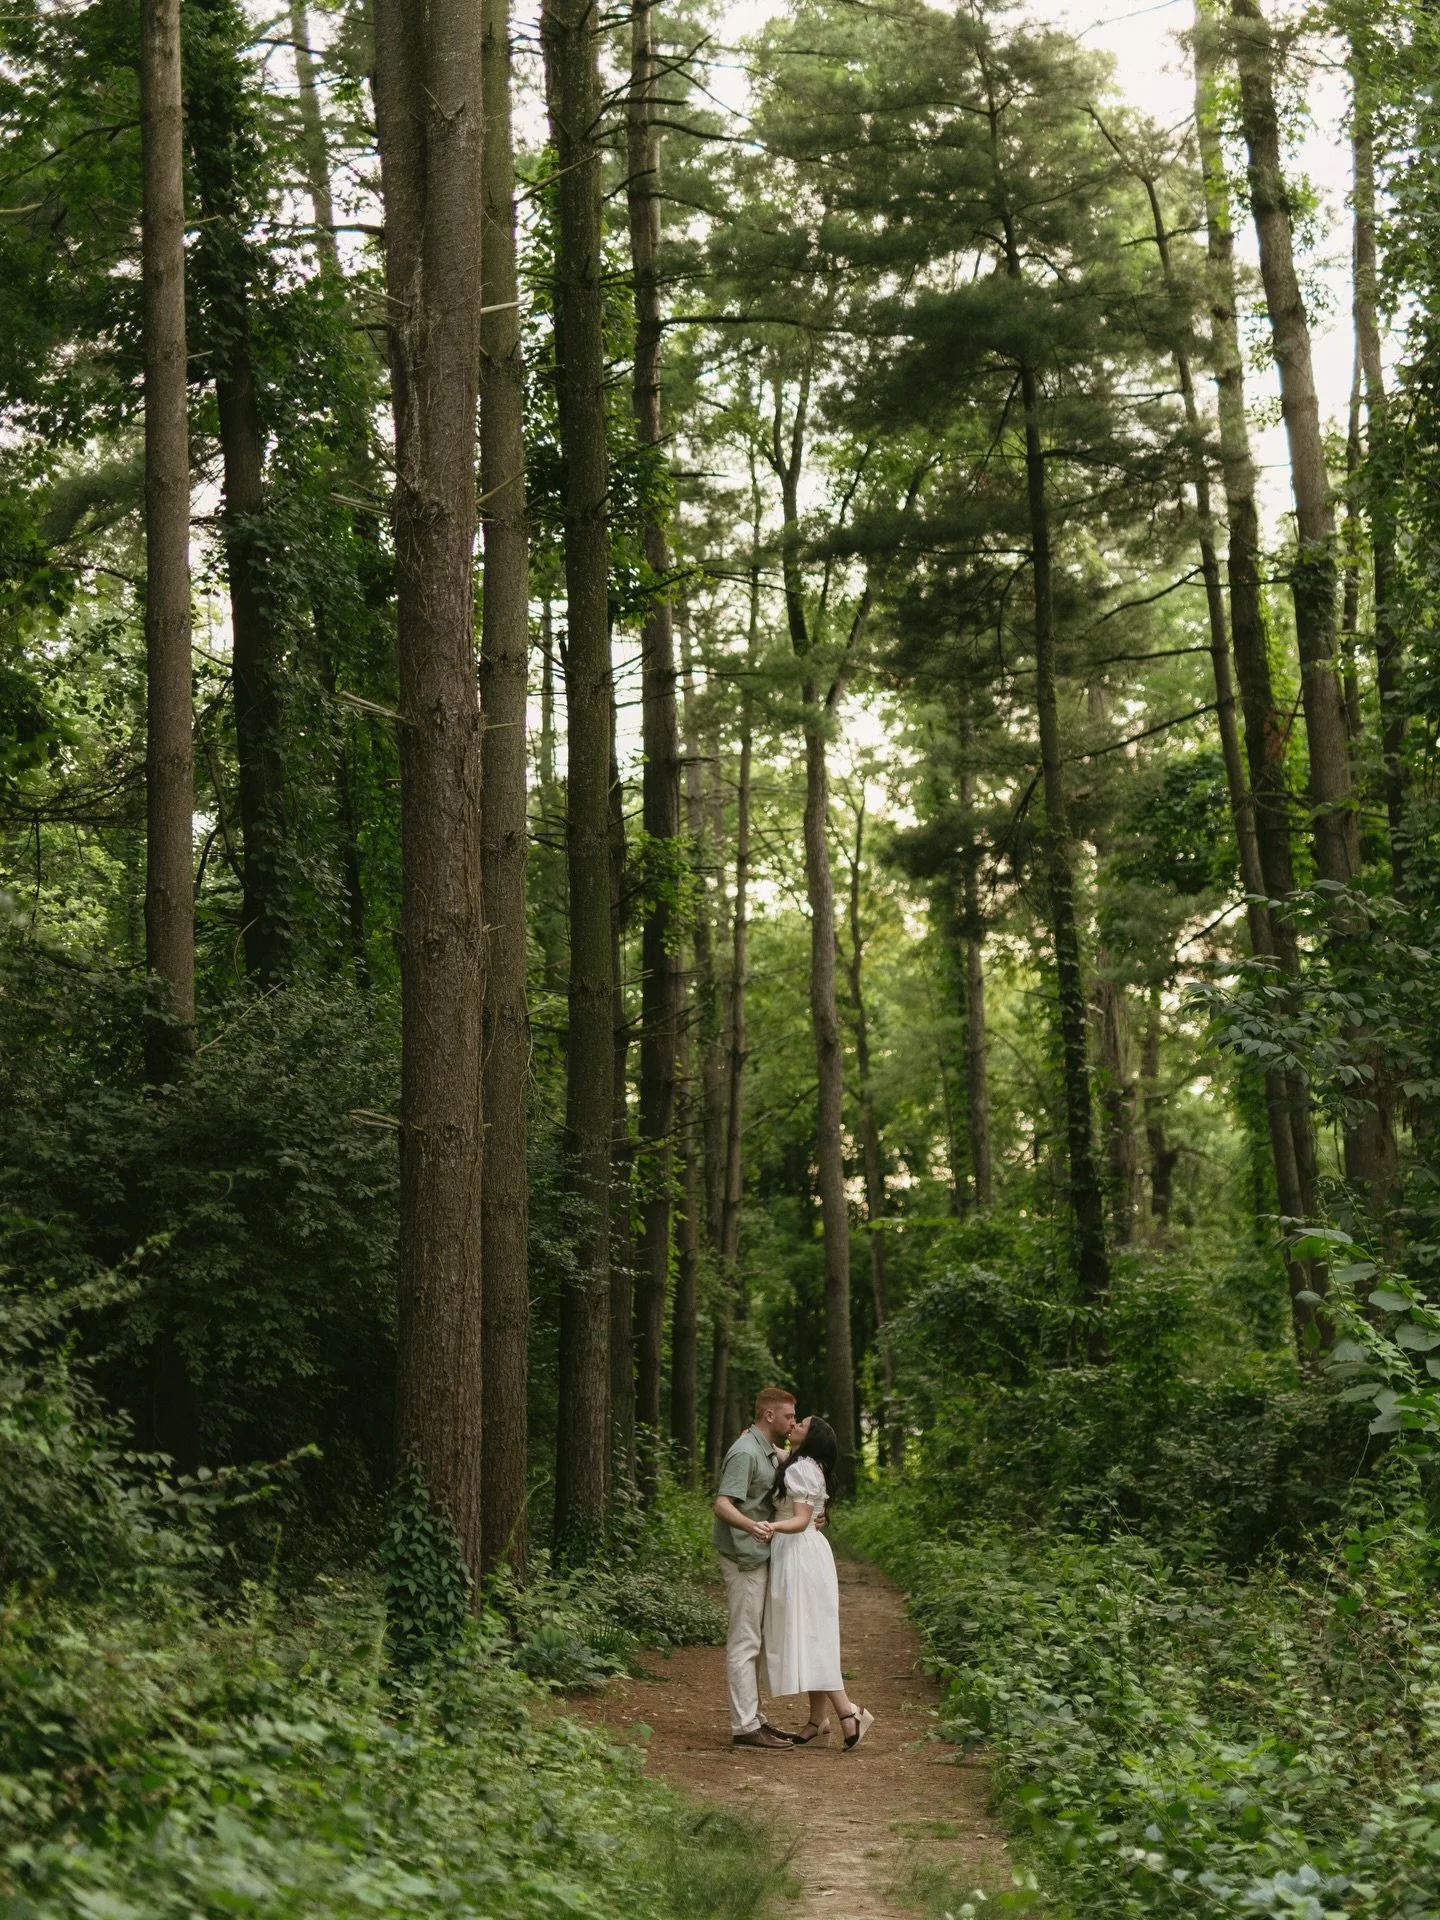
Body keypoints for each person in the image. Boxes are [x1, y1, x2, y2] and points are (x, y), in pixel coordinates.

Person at [763, 1415, 874, 1750]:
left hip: (799, 1553)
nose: (794, 1424)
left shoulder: (799, 1470)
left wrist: (770, 1527)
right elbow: (785, 1458)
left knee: (811, 1636)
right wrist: (762, 1440)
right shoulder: (809, 1465)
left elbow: (798, 1520)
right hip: (811, 1552)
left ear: (809, 1437)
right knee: (813, 1634)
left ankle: (847, 1712)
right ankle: (818, 1720)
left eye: (802, 1425)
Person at [712, 1386, 803, 1748]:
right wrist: (752, 1527)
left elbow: (793, 1458)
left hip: (756, 1554)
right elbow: (722, 1504)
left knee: (757, 1639)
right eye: (788, 1417)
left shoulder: (762, 1448)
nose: (792, 1422)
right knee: (745, 1639)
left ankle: (754, 1717)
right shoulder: (746, 1452)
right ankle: (744, 1726)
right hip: (742, 1555)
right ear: (769, 1416)